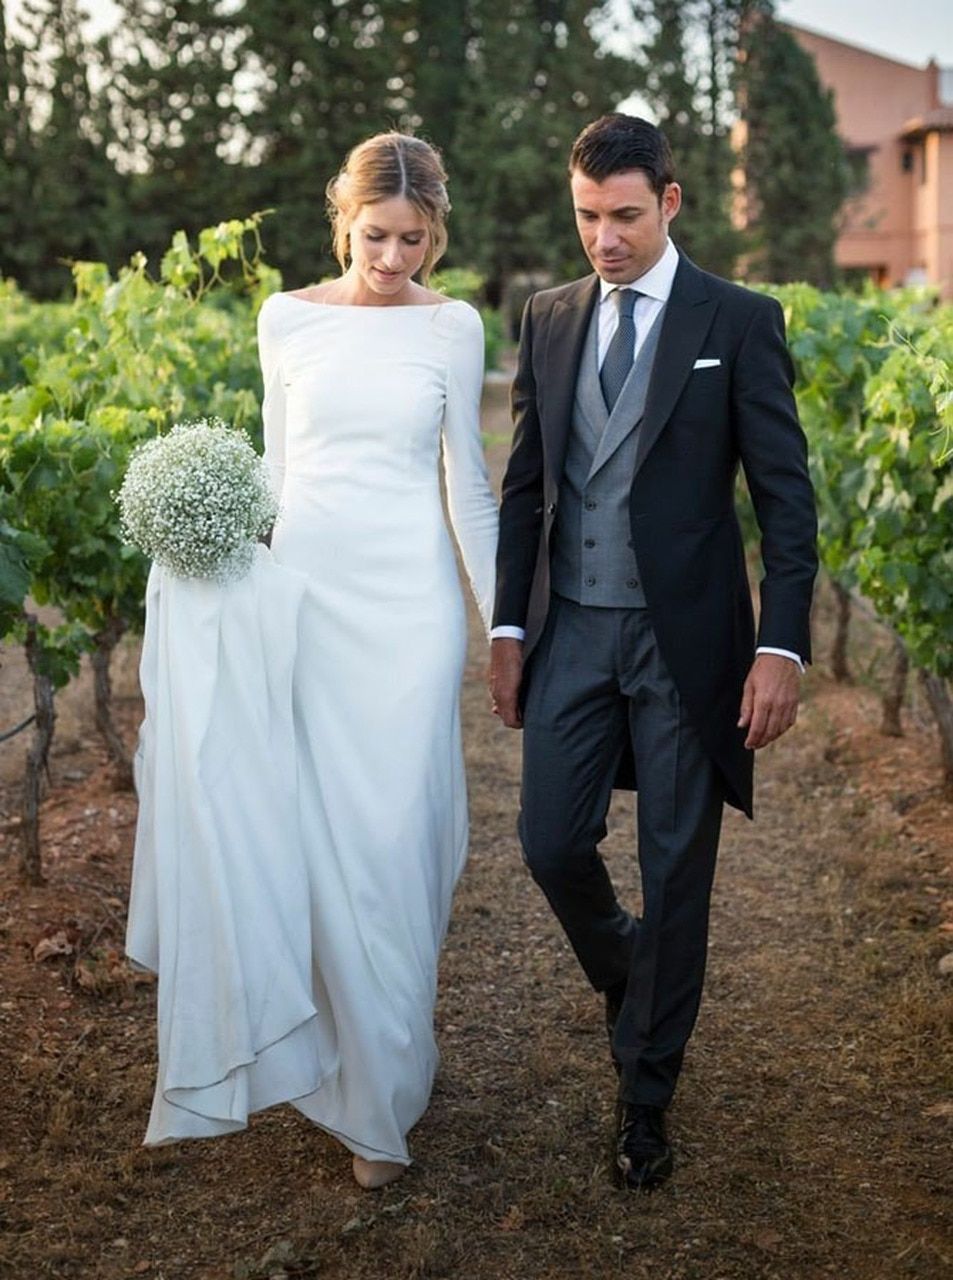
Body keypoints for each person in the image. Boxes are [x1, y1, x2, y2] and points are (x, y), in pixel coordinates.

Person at [127, 132, 498, 1191]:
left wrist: (502, 624)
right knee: (317, 831)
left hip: (411, 608)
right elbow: (277, 470)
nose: (393, 260)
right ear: (343, 221)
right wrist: (217, 574)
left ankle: (386, 1072)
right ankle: (356, 1092)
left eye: (414, 240)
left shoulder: (453, 325)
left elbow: (466, 485)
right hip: (309, 598)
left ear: (436, 233)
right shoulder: (283, 317)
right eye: (377, 237)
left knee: (394, 839)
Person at [489, 114, 817, 1190]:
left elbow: (783, 497)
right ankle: (630, 968)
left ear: (668, 202)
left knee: (677, 870)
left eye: (624, 215)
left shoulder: (737, 318)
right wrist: (505, 627)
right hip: (573, 627)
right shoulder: (544, 319)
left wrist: (779, 643)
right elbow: (526, 486)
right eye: (586, 216)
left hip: (689, 644)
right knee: (547, 841)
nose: (604, 237)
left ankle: (643, 1096)